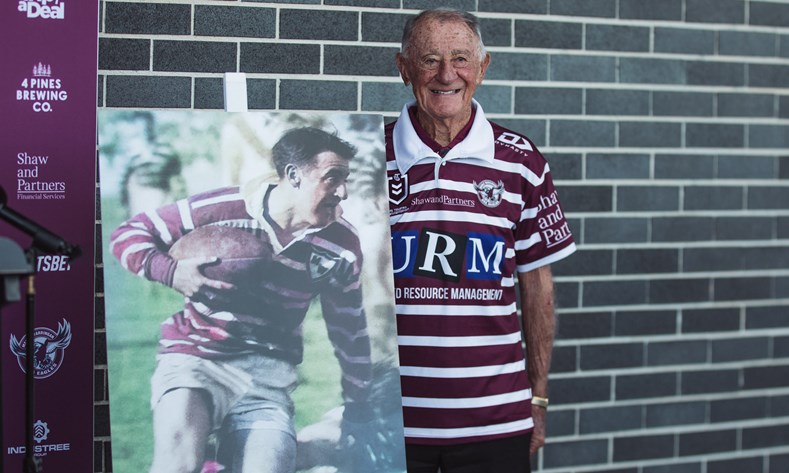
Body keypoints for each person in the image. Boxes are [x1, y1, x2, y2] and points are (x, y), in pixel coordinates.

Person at [110, 127, 374, 473]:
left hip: (267, 375)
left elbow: (349, 330)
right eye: (332, 178)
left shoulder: (341, 245)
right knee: (176, 463)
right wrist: (171, 272)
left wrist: (358, 407)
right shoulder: (223, 207)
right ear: (294, 176)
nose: (342, 191)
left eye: (345, 179)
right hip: (196, 355)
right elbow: (128, 233)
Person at [387, 8, 576, 472]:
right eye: (429, 60)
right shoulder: (369, 156)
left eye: (461, 60)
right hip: (392, 424)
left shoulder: (522, 162)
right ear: (404, 67)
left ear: (483, 68)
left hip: (496, 423)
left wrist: (539, 397)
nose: (446, 74)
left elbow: (538, 289)